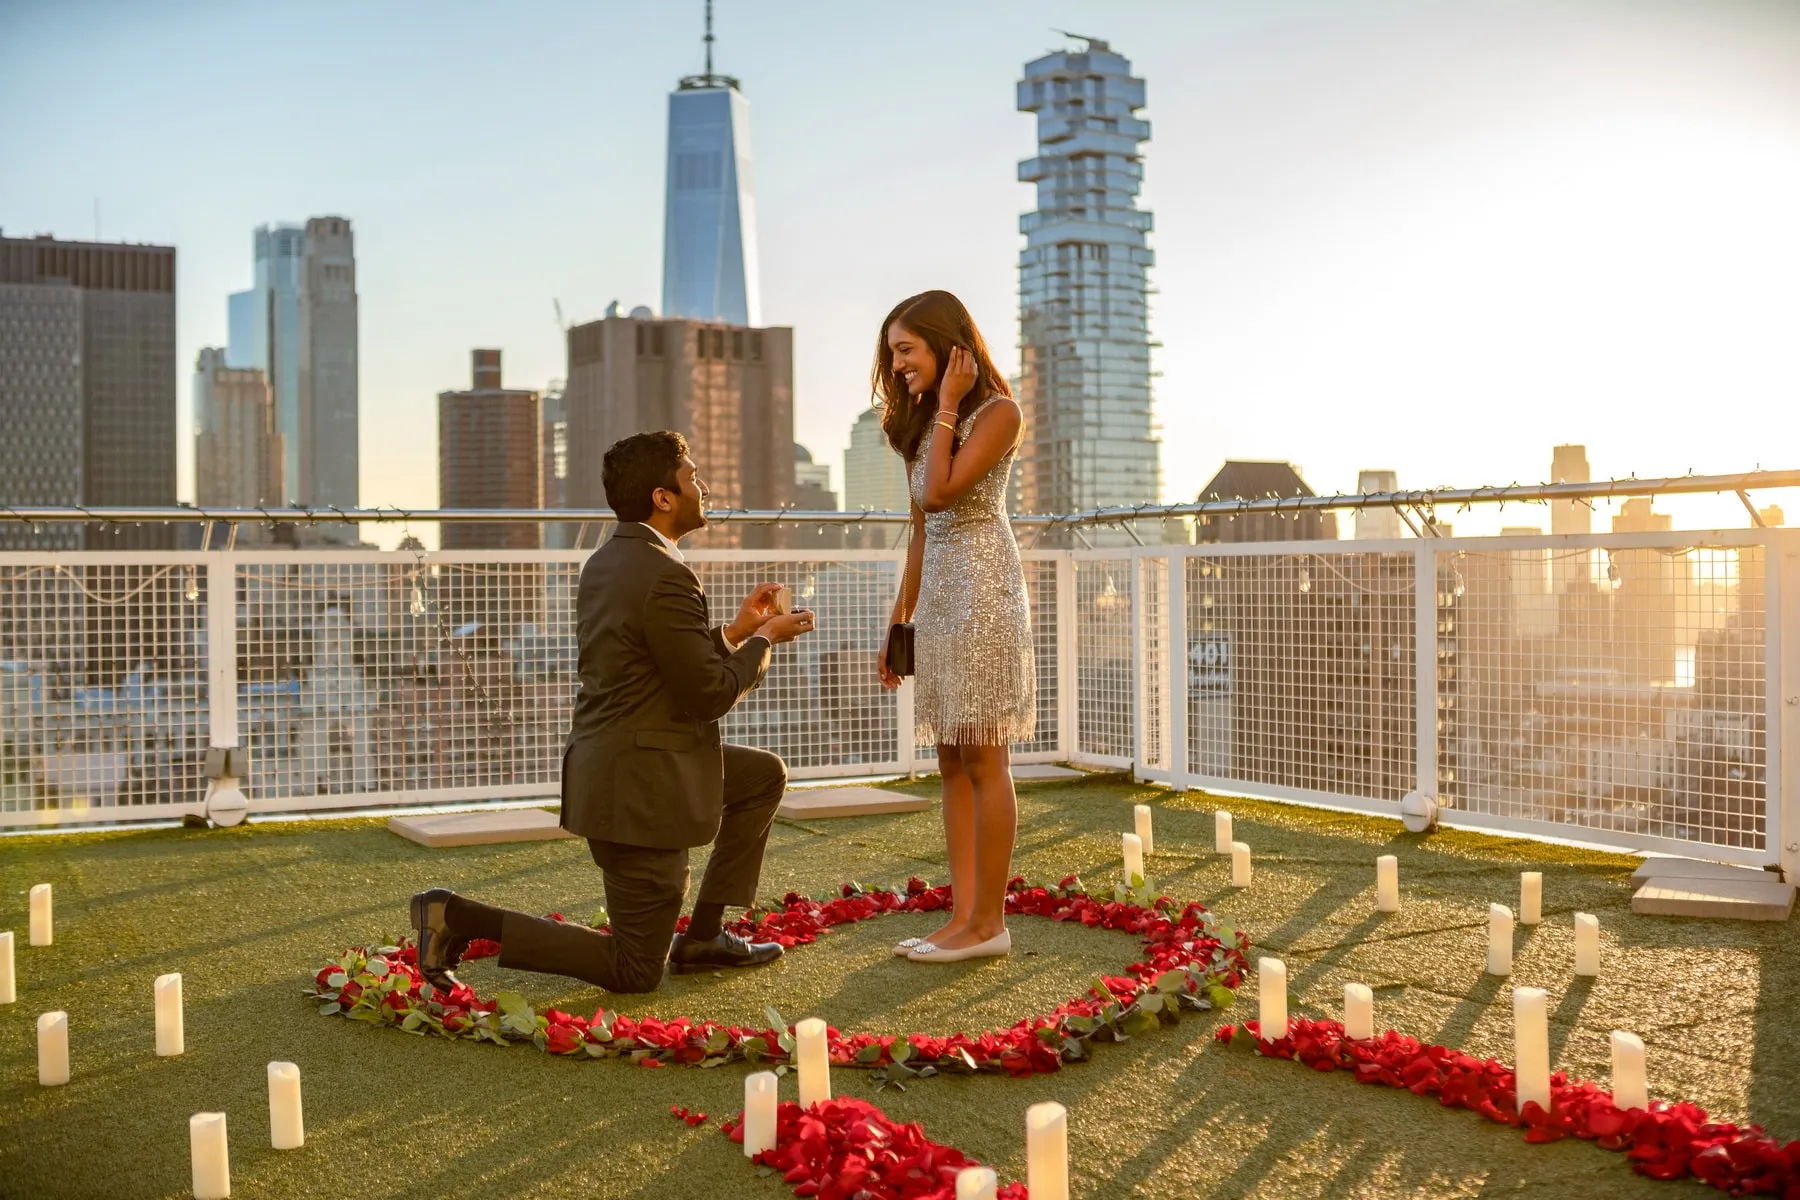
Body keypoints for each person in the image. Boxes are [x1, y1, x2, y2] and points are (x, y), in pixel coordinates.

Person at [409, 431, 815, 994]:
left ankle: (703, 937)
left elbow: (655, 667)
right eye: (692, 477)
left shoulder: (611, 561)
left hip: (618, 764)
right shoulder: (665, 574)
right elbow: (708, 696)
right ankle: (454, 917)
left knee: (760, 775)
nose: (703, 486)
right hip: (640, 791)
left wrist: (735, 632)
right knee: (635, 970)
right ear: (663, 497)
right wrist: (765, 640)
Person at [874, 290, 1035, 963]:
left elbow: (944, 493)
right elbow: (921, 528)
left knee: (983, 754)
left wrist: (945, 406)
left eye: (906, 349)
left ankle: (987, 924)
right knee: (949, 757)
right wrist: (898, 619)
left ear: (948, 344)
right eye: (892, 353)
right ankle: (962, 918)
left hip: (984, 595)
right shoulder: (923, 424)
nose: (898, 364)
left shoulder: (998, 413)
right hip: (938, 599)